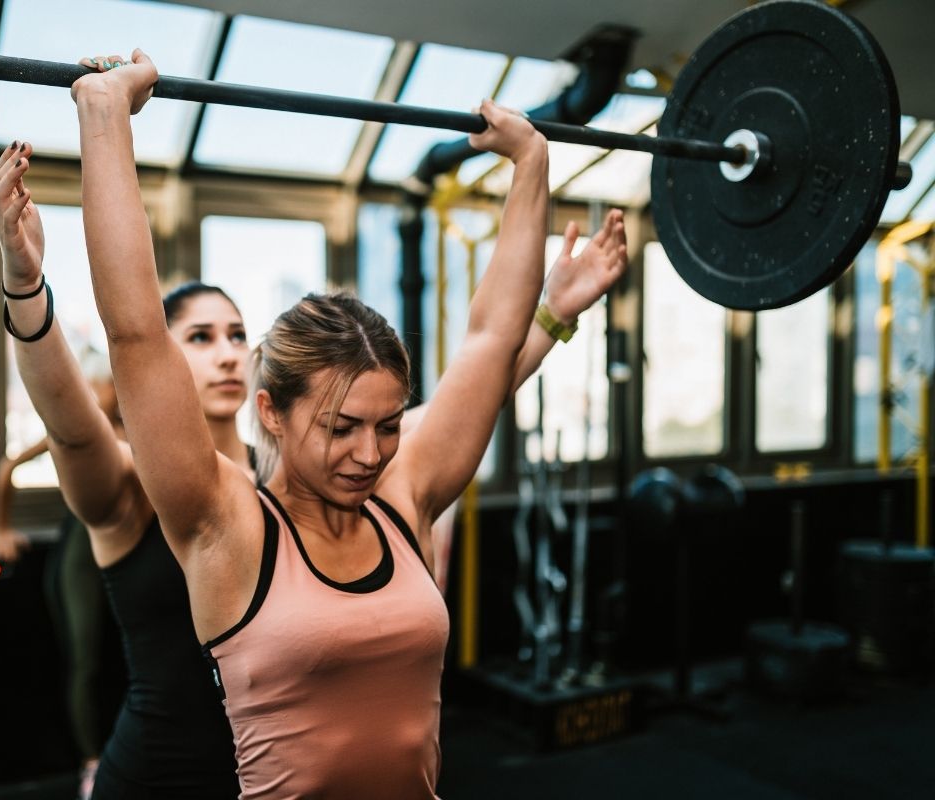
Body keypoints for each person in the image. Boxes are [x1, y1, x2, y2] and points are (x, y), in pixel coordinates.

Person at [69, 49, 624, 797]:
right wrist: (106, 120)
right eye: (340, 428)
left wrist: (531, 163)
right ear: (272, 410)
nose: (370, 454)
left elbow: (492, 339)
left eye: (388, 424)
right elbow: (137, 330)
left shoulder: (404, 498)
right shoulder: (224, 526)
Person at [0, 141, 251, 796]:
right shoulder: (135, 484)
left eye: (238, 334)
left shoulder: (282, 477)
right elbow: (72, 430)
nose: (227, 354)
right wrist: (25, 284)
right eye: (201, 337)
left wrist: (551, 317)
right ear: (163, 358)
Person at [0, 358, 118, 795]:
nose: (107, 390)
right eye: (103, 383)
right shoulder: (76, 431)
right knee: (84, 663)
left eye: (107, 383)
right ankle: (90, 762)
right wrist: (1, 529)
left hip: (118, 564)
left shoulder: (135, 429)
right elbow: (6, 468)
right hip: (77, 561)